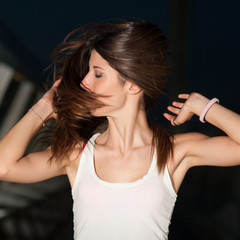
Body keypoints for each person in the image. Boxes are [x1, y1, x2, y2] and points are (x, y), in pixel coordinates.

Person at [0, 20, 240, 240]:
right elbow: (4, 166)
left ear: (133, 85)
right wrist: (43, 107)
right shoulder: (78, 155)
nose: (84, 82)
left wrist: (204, 106)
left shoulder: (176, 151)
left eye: (98, 73)